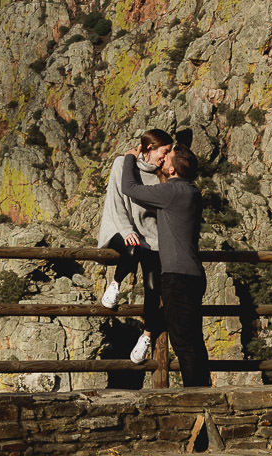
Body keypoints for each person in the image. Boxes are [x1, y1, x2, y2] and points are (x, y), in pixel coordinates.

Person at [120, 142, 211, 387]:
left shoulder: (171, 192)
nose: (163, 161)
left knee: (183, 342)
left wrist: (130, 157)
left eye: (167, 158)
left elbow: (129, 188)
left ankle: (197, 396)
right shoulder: (192, 191)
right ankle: (203, 391)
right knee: (194, 339)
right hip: (193, 274)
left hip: (177, 276)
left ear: (172, 170)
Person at [96, 128, 172, 362]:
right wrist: (128, 230)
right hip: (120, 228)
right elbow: (117, 200)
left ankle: (146, 336)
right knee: (132, 247)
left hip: (152, 238)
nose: (166, 157)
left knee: (153, 288)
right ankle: (115, 283)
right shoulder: (122, 163)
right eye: (164, 151)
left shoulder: (161, 175)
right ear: (150, 148)